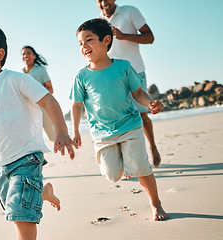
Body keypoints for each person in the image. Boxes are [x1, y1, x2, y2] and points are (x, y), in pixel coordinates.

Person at [0, 22, 78, 239]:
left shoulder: (16, 80)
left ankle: (36, 192)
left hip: (26, 158)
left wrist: (61, 131)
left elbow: (49, 101)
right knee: (13, 207)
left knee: (21, 215)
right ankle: (42, 192)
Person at [70, 18, 168, 221]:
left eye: (89, 40)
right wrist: (76, 131)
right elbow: (77, 105)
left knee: (142, 169)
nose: (84, 46)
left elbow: (138, 92)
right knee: (112, 175)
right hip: (103, 134)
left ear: (106, 40)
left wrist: (150, 103)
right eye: (80, 43)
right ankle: (126, 163)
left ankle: (156, 203)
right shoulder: (81, 76)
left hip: (130, 126)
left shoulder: (123, 67)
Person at [96, 0, 161, 167]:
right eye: (99, 0)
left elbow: (150, 37)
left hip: (135, 70)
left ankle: (152, 147)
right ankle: (126, 161)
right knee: (118, 118)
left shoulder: (130, 11)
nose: (104, 2)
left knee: (141, 113)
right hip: (112, 76)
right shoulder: (99, 21)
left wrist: (124, 36)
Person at [21, 46, 55, 142]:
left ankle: (68, 146)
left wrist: (38, 94)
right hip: (28, 110)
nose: (26, 56)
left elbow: (51, 89)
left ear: (34, 56)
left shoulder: (40, 70)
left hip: (42, 107)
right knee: (31, 138)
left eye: (28, 53)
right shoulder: (21, 74)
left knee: (51, 136)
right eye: (23, 54)